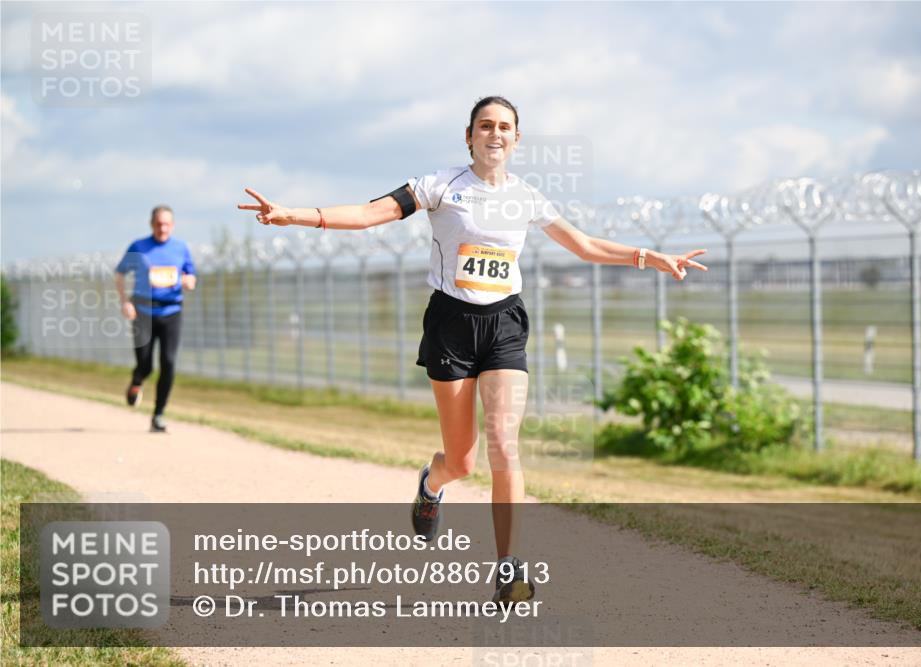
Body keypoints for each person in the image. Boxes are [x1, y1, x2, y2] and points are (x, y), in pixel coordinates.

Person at [237, 96, 707, 602]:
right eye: (486, 125)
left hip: (504, 322)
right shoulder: (439, 186)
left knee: (504, 444)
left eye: (505, 127)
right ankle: (431, 485)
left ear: (516, 139)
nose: (495, 133)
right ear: (469, 136)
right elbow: (371, 214)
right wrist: (295, 215)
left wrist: (647, 256)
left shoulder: (527, 197)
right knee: (462, 461)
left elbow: (583, 245)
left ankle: (508, 567)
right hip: (451, 325)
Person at [115, 205, 197, 433]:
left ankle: (158, 415)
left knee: (169, 363)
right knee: (146, 364)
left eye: (167, 224)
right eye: (159, 223)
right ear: (152, 224)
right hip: (143, 312)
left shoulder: (181, 248)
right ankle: (137, 380)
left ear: (173, 225)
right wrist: (125, 302)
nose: (163, 228)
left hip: (171, 312)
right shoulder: (139, 247)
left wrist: (190, 282)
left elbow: (191, 276)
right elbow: (120, 273)